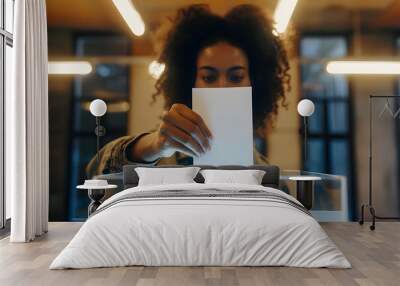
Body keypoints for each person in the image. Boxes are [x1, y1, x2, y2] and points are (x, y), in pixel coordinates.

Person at [86, 4, 290, 178]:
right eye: (209, 77)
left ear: (254, 84)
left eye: (236, 77)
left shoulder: (267, 176)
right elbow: (95, 173)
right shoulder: (162, 156)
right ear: (190, 82)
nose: (222, 87)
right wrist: (154, 145)